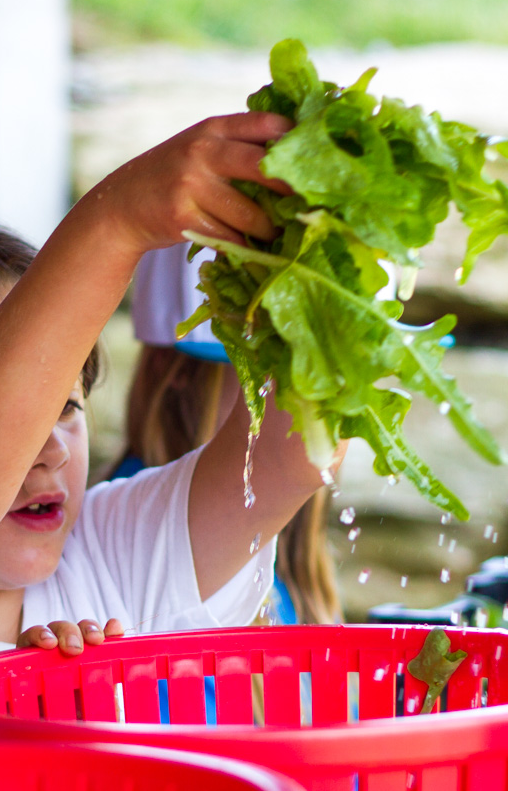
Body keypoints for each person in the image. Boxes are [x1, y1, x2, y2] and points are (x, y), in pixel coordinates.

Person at [0, 113, 340, 744]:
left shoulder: (106, 549)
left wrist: (330, 244)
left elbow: (294, 455)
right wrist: (117, 219)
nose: (50, 448)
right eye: (9, 415)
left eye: (67, 405)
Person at [111, 241, 340, 625]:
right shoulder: (134, 538)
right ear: (174, 371)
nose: (317, 401)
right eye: (275, 373)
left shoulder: (288, 550)